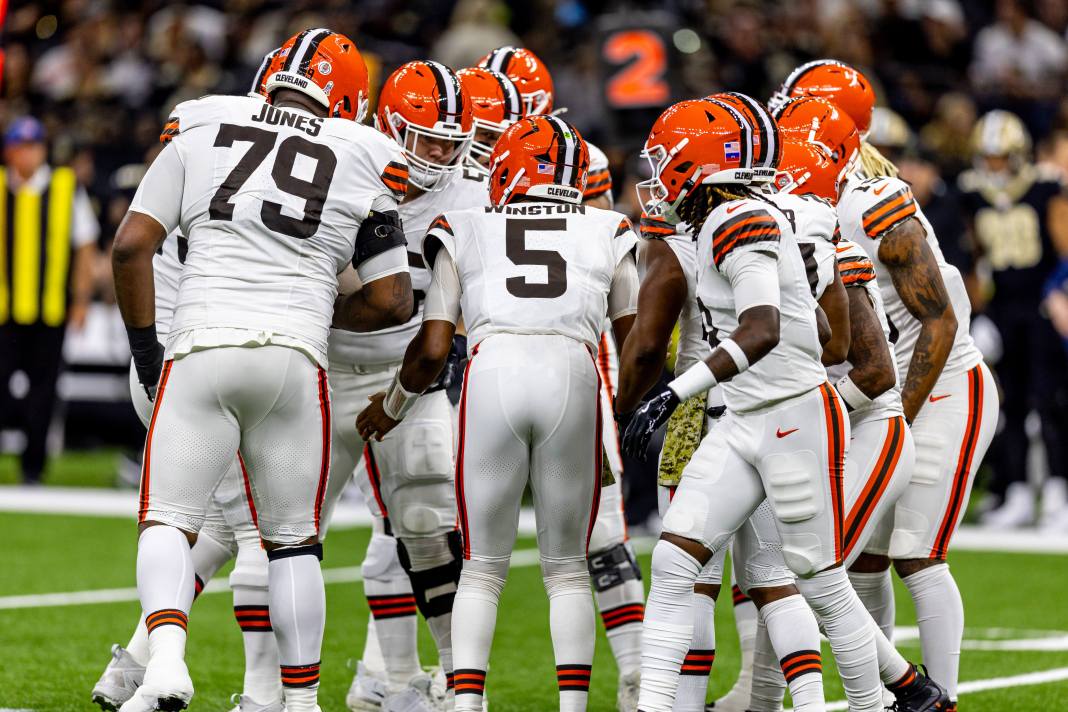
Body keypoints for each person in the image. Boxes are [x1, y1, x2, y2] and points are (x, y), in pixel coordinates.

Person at [110, 28, 413, 712]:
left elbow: (132, 248)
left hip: (202, 343)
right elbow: (394, 298)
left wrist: (146, 355)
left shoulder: (199, 125)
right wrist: (310, 311)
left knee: (167, 519)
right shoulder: (363, 156)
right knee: (293, 545)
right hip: (295, 364)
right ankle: (298, 702)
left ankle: (164, 663)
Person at [357, 114, 640, 712]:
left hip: (492, 376)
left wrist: (393, 405)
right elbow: (634, 342)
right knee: (566, 570)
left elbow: (433, 347)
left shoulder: (463, 226)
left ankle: (464, 704)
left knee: (484, 567)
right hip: (572, 376)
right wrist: (617, 413)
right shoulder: (610, 227)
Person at [620, 98, 882, 712]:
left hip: (791, 419)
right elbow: (814, 326)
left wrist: (673, 393)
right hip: (744, 418)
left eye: (664, 159)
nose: (657, 175)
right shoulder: (742, 216)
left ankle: (872, 705)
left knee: (820, 581)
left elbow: (761, 328)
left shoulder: (735, 218)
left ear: (696, 163)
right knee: (675, 559)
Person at [781, 59, 999, 710]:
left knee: (914, 552)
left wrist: (891, 420)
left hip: (943, 386)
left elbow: (939, 323)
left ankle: (942, 699)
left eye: (796, 110)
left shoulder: (872, 198)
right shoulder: (809, 187)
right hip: (879, 390)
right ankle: (877, 696)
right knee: (859, 558)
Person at [92, 49, 288, 712]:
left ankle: (135, 667)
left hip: (174, 364)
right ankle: (260, 693)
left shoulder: (196, 164)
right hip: (201, 365)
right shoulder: (263, 184)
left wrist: (145, 355)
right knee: (257, 529)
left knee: (223, 532)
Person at [480, 45, 645, 712]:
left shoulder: (575, 163)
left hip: (558, 346)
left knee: (590, 538)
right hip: (551, 354)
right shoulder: (565, 160)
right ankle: (408, 675)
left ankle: (635, 672)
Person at [318, 59, 483, 712]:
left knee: (427, 516)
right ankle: (258, 689)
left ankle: (448, 679)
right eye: (427, 136)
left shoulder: (469, 193)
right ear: (388, 126)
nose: (440, 152)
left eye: (451, 139)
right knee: (267, 527)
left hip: (406, 371)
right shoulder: (339, 165)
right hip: (323, 367)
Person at [958, 110, 1068, 530]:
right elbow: (972, 256)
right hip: (1002, 310)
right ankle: (1019, 491)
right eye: (989, 158)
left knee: (1050, 403)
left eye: (1002, 158)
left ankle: (1058, 492)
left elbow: (1061, 248)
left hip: (1041, 307)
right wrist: (979, 311)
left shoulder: (1045, 187)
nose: (994, 167)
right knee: (1011, 405)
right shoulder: (971, 193)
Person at [0, 116, 99, 484]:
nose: (26, 155)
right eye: (19, 146)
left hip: (50, 310)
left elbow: (85, 246)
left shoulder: (65, 187)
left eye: (32, 146)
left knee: (44, 392)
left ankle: (33, 468)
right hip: (5, 311)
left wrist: (81, 301)